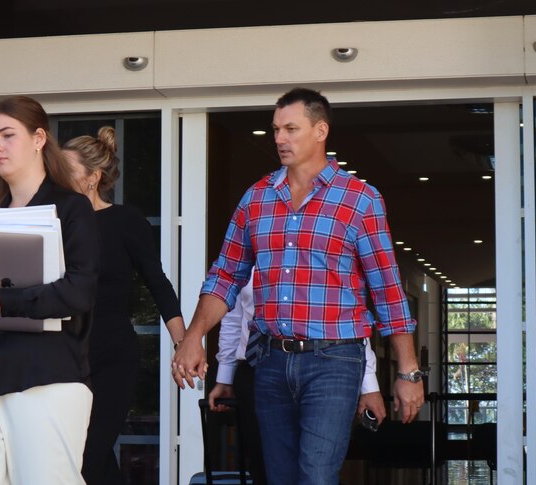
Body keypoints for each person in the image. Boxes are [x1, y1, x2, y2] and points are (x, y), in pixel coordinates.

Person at [173, 87, 424, 484]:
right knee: (279, 478)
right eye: (276, 129)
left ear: (321, 130)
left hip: (334, 361)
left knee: (316, 476)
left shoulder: (359, 200)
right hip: (270, 361)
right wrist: (193, 337)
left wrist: (408, 372)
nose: (279, 138)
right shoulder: (256, 199)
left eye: (291, 128)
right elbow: (225, 275)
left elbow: (387, 290)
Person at [0, 96, 99, 485]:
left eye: (8, 135)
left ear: (38, 138)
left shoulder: (72, 209)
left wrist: (1, 302)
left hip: (47, 379)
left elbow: (79, 292)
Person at [62, 127, 187, 485]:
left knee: (89, 456)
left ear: (93, 178)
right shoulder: (55, 223)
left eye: (66, 171)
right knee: (77, 456)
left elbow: (157, 282)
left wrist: (184, 344)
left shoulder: (124, 221)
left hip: (112, 355)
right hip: (63, 354)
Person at [209, 273, 387, 485]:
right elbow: (232, 319)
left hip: (323, 368)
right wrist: (225, 378)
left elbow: (351, 318)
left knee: (316, 469)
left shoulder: (319, 254)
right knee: (265, 467)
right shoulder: (247, 256)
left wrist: (369, 385)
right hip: (257, 370)